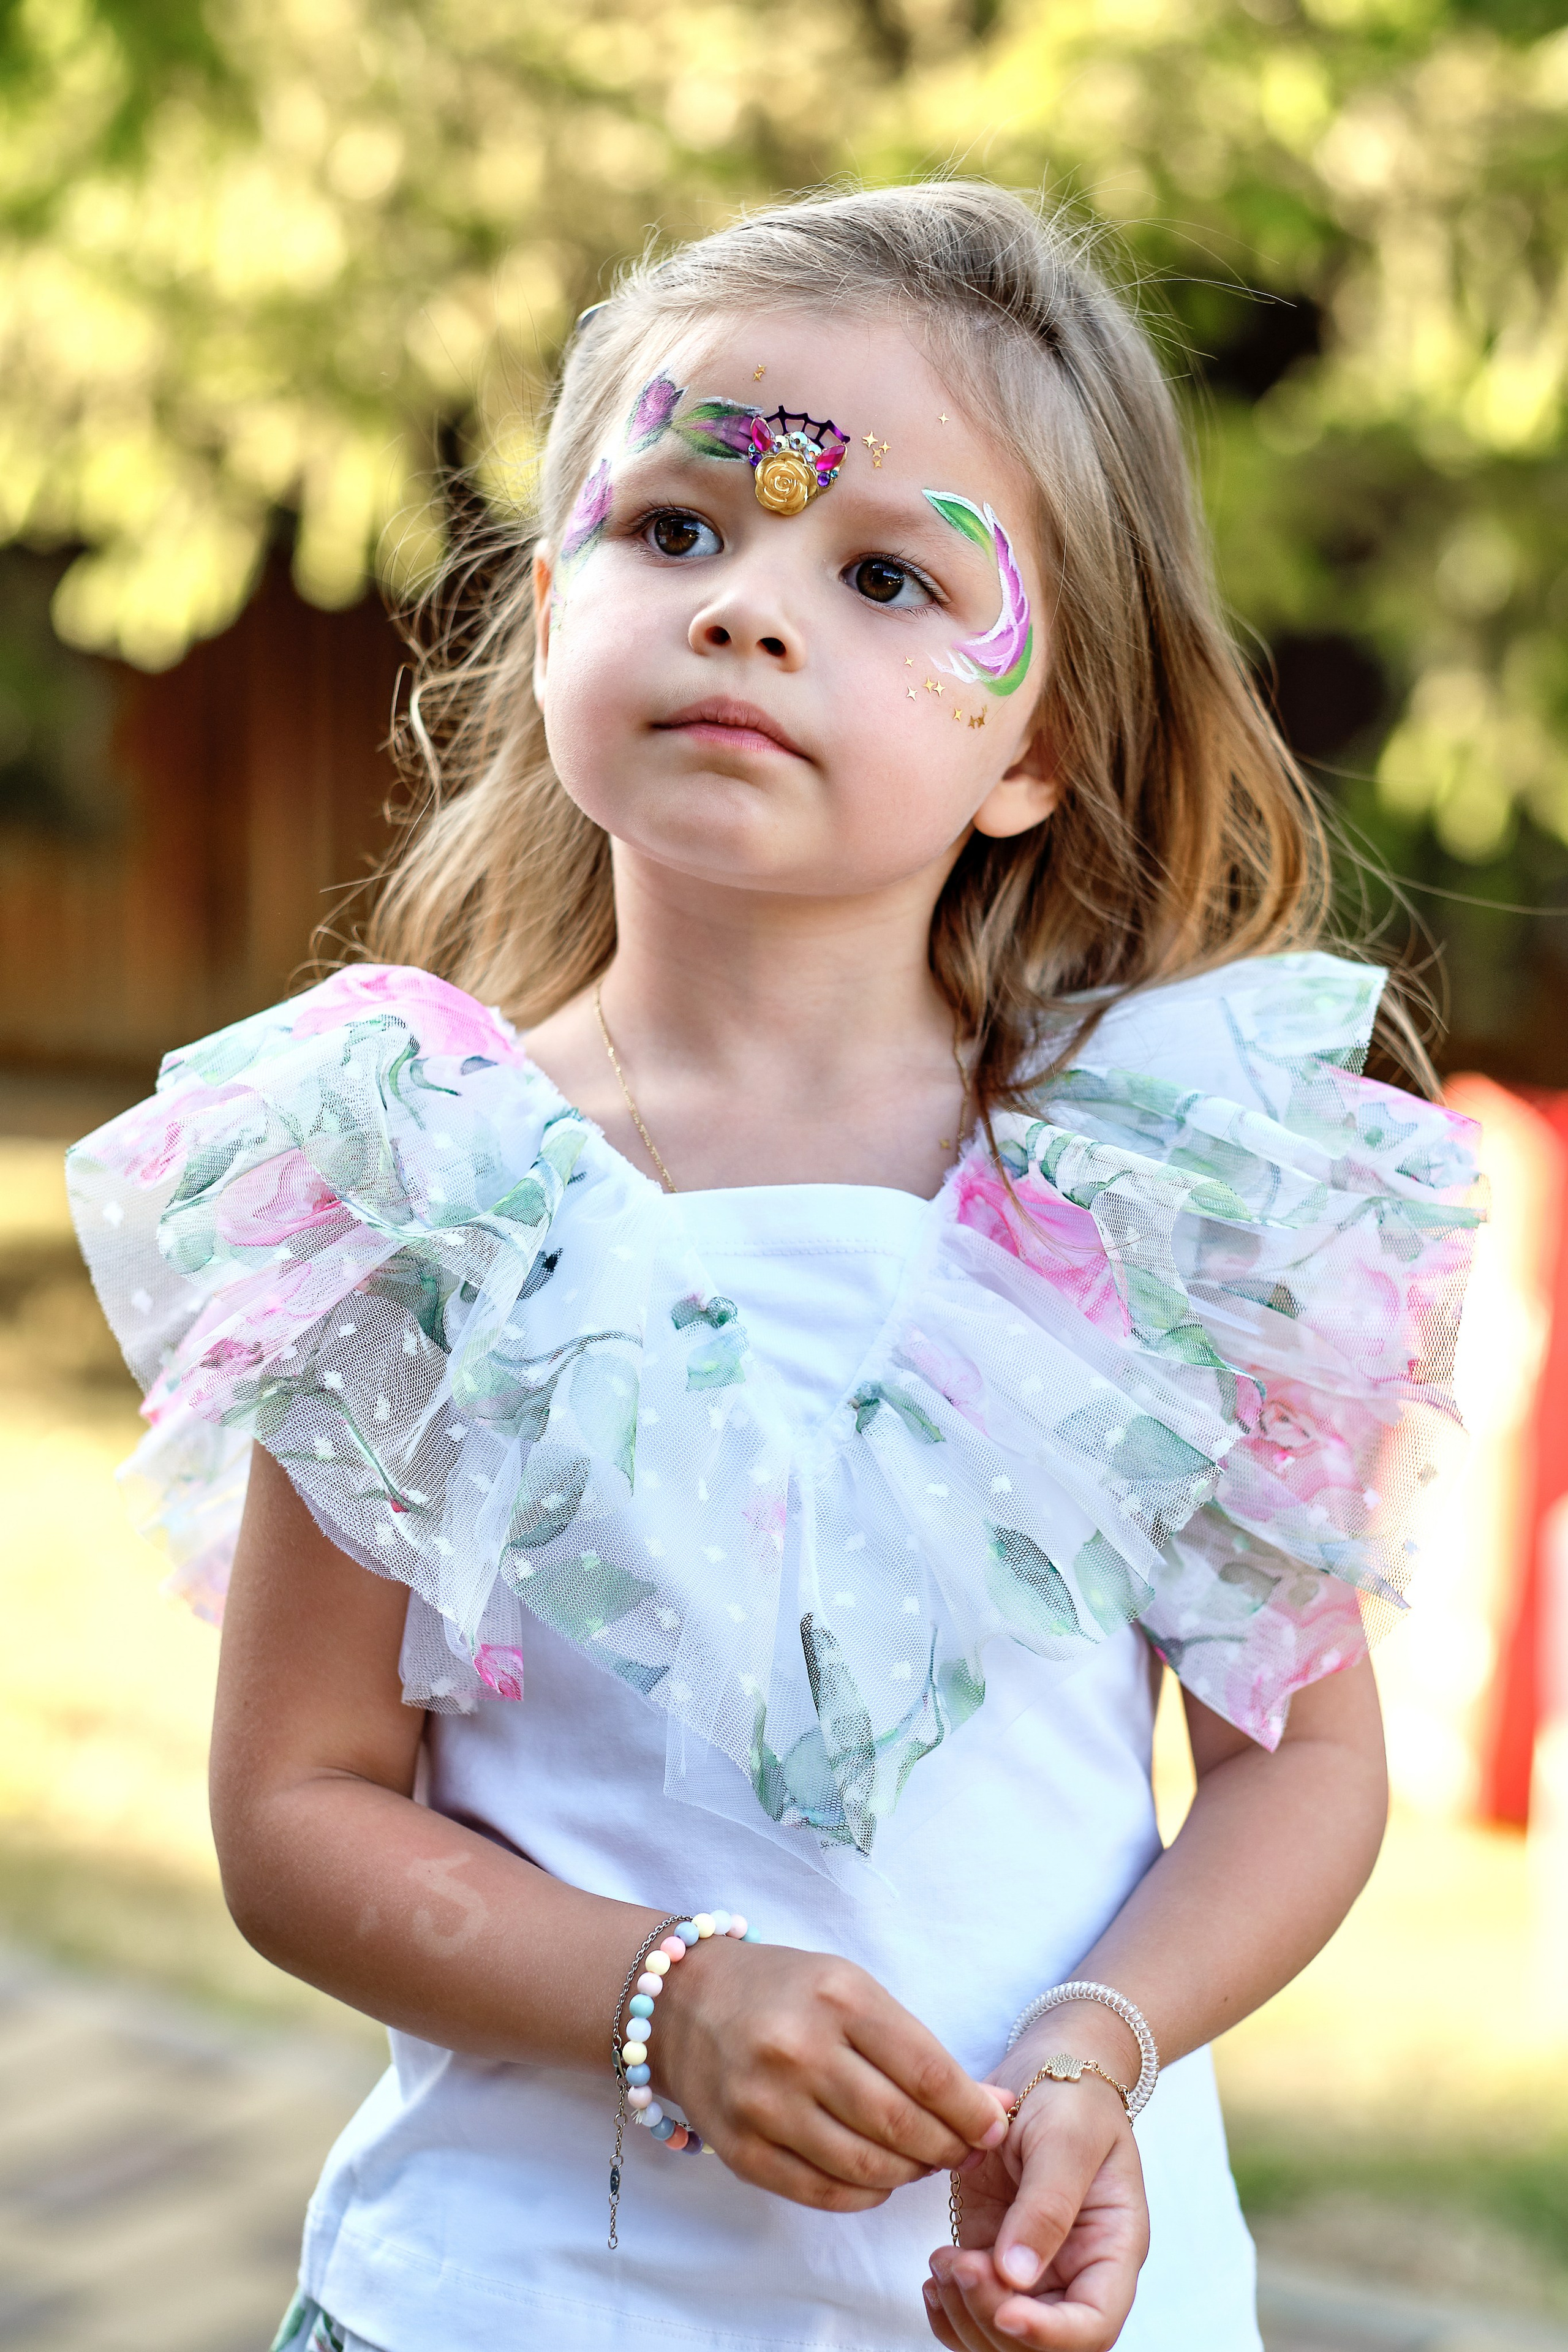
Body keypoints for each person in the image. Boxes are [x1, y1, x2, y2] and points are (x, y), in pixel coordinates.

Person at [68, 181, 1481, 2352]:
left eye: (889, 574)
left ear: (1042, 750)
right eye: (677, 530)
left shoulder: (1169, 1208)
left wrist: (1102, 2042)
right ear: (549, 614)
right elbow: (296, 1806)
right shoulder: (429, 1184)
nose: (748, 611)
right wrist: (666, 2001)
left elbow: (1293, 1763)